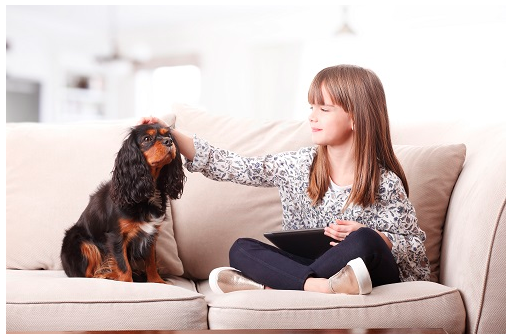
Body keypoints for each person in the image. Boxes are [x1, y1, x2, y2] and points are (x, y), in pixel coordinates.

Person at [140, 64, 430, 295]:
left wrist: (378, 237)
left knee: (364, 240)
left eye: (324, 109)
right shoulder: (297, 165)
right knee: (240, 248)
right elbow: (234, 166)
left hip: (367, 272)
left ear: (356, 119)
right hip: (312, 267)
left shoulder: (385, 182)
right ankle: (322, 287)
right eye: (311, 108)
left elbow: (417, 254)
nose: (312, 117)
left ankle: (273, 285)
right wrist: (172, 134)